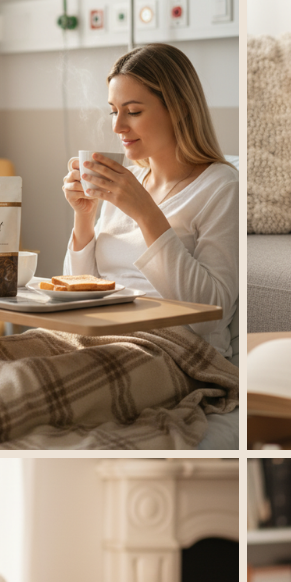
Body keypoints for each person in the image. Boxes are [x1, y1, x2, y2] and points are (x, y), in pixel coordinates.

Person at [62, 42, 239, 359]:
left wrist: (146, 213)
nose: (118, 126)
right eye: (114, 111)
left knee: (26, 378)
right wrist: (84, 216)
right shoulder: (126, 182)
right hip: (99, 334)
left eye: (133, 112)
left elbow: (212, 313)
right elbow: (80, 291)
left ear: (179, 108)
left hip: (169, 350)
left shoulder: (220, 187)